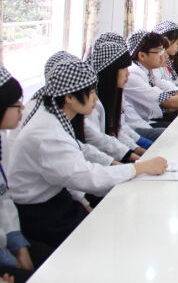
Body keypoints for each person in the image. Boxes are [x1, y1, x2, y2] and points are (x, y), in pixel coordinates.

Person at [9, 59, 168, 248]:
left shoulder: (54, 116)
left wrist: (127, 166)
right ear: (69, 97)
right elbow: (88, 177)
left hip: (58, 199)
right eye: (91, 92)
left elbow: (80, 150)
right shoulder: (48, 134)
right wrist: (137, 168)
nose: (95, 99)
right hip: (42, 215)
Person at [0, 66, 35, 282]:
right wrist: (9, 260)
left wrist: (19, 246)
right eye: (15, 103)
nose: (22, 107)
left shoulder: (1, 139)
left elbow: (4, 196)